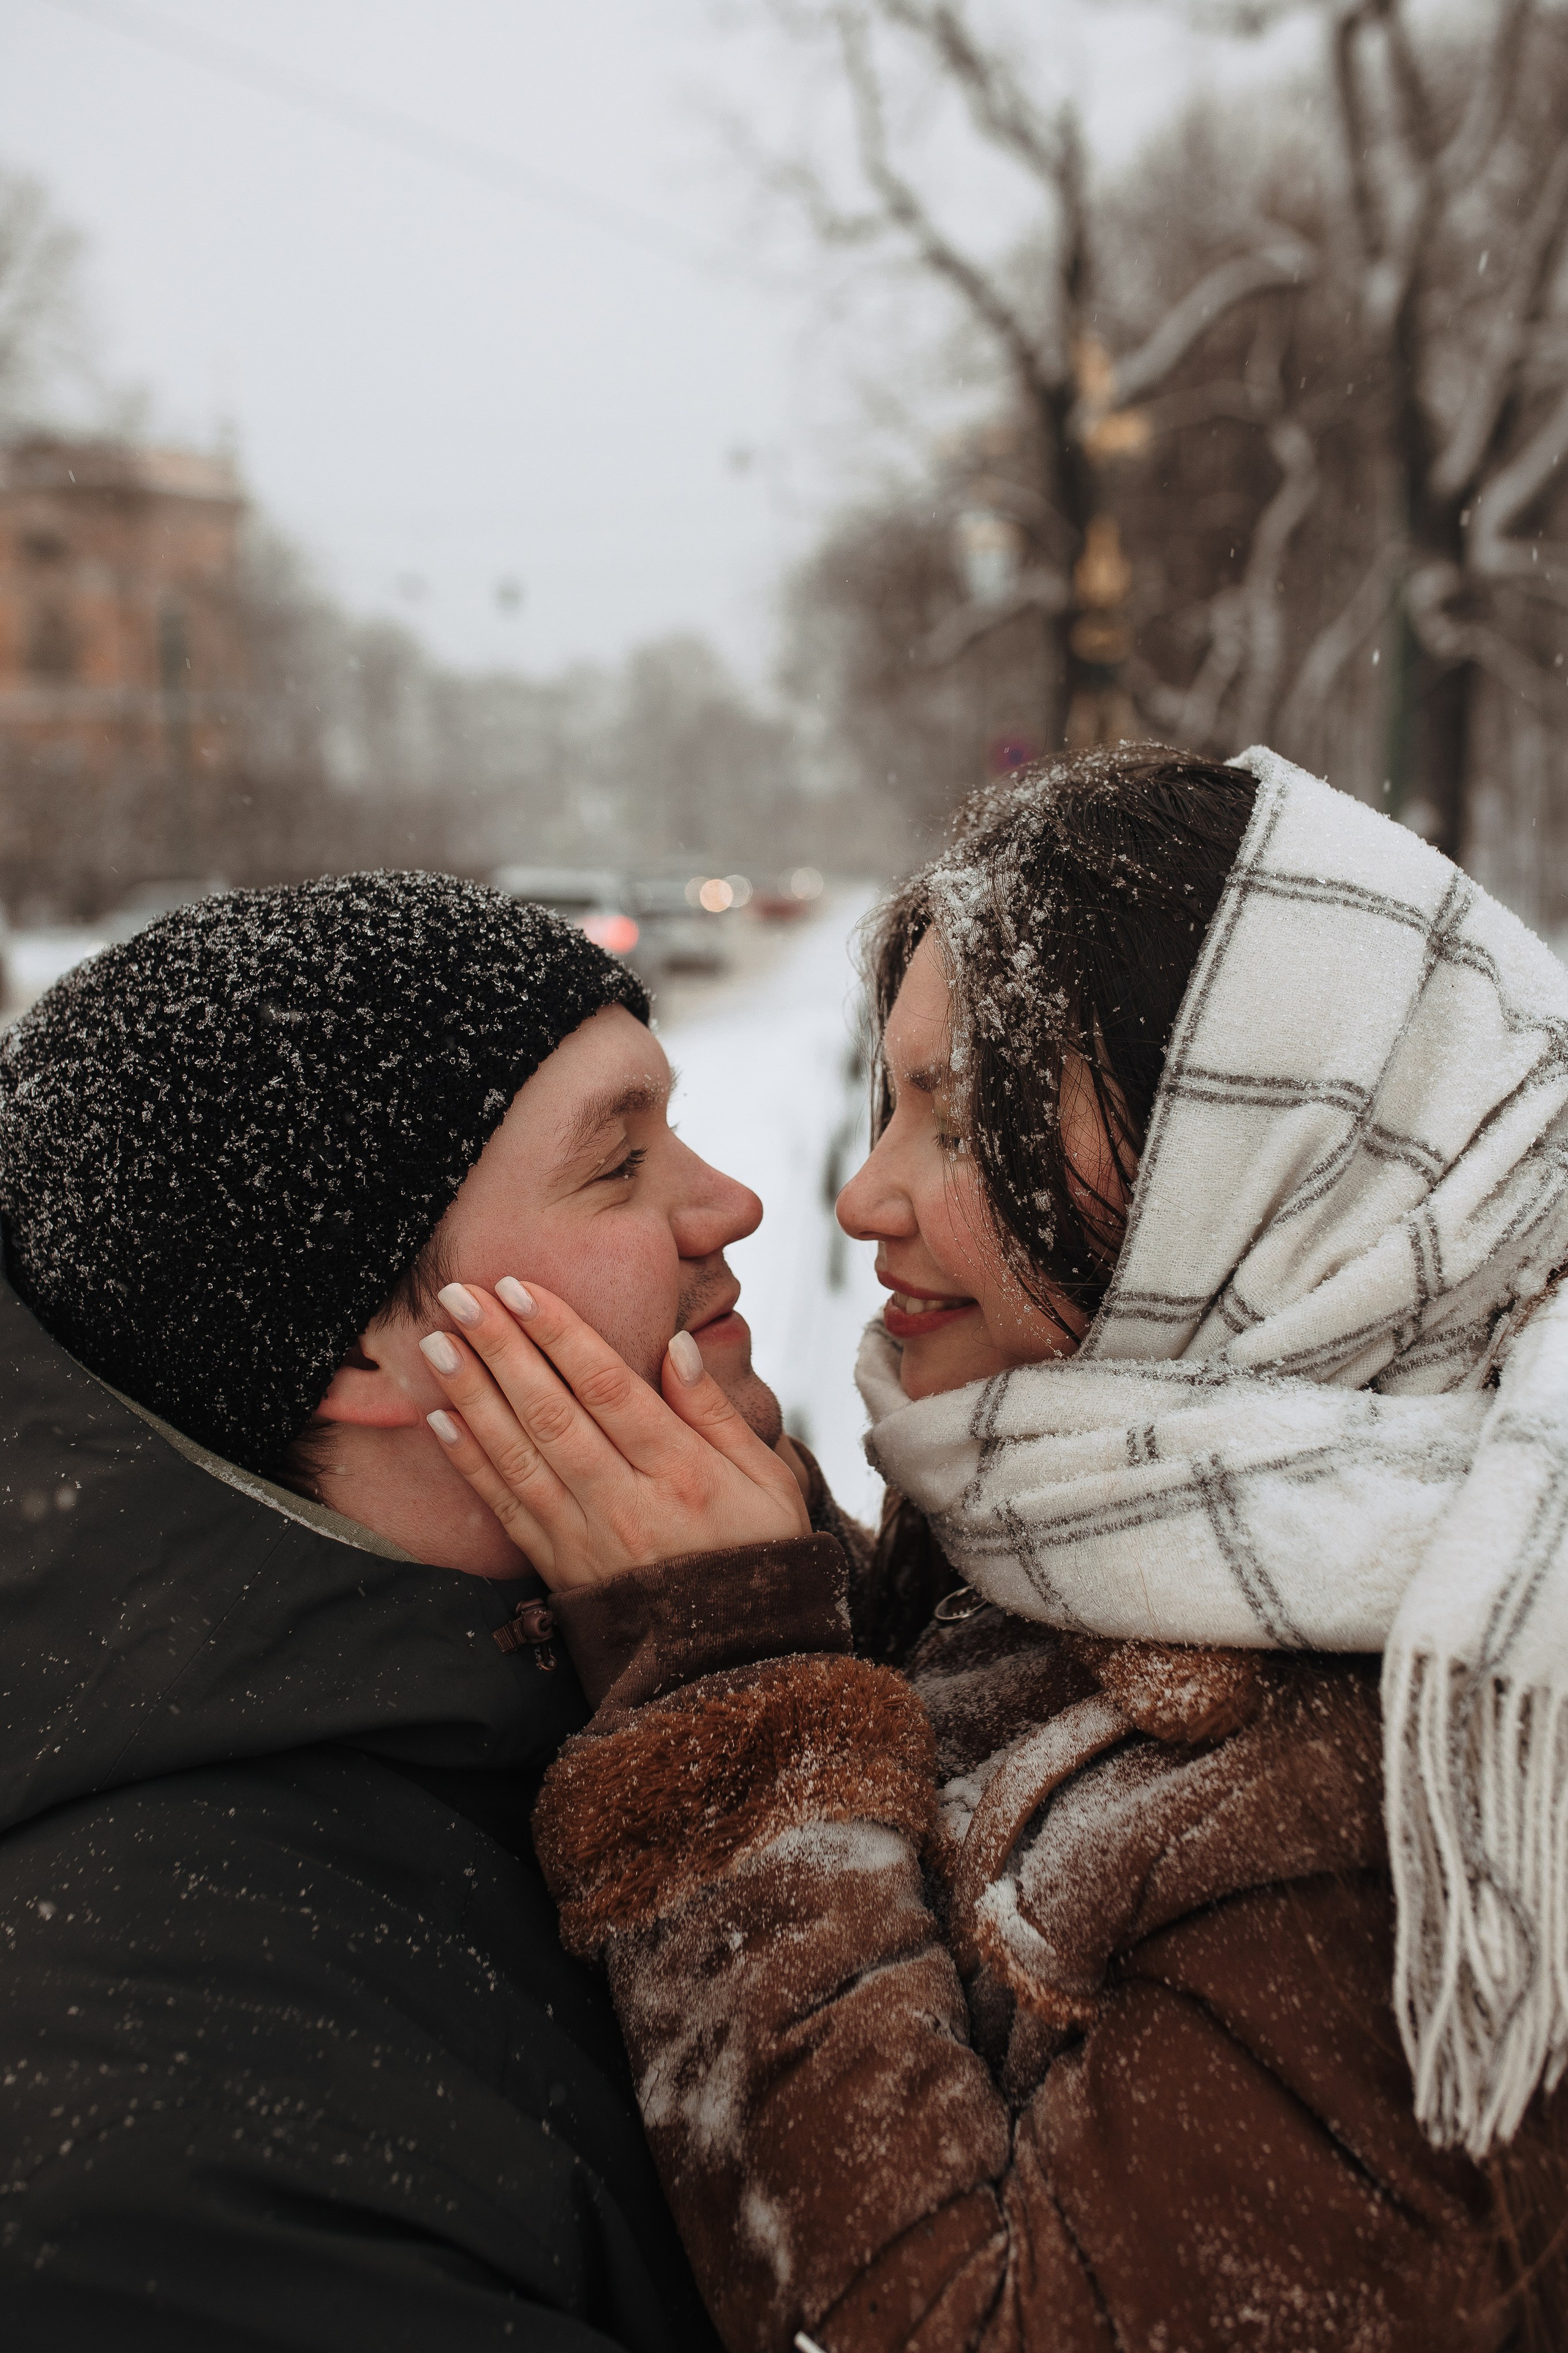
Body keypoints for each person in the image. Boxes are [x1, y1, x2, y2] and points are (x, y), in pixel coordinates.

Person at [418, 746, 1568, 2352]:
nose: (860, 1195)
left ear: (1259, 1158)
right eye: (886, 1099)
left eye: (965, 1120)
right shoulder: (1081, 1530)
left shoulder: (1381, 1789)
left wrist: (735, 1689)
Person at [0, 868, 817, 2347]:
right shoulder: (170, 2115)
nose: (730, 1203)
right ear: (372, 1344)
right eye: (617, 1166)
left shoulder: (589, 1659)